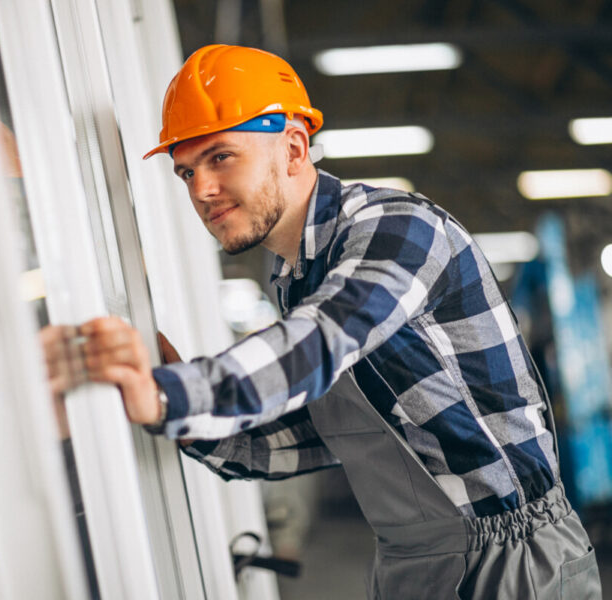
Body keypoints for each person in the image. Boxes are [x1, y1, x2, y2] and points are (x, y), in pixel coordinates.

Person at [41, 44, 602, 598]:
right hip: (414, 563)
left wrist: (171, 394)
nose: (202, 191)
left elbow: (324, 339)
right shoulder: (297, 278)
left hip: (516, 563)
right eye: (185, 172)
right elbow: (321, 437)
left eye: (220, 157)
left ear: (293, 147)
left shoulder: (396, 229)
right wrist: (174, 410)